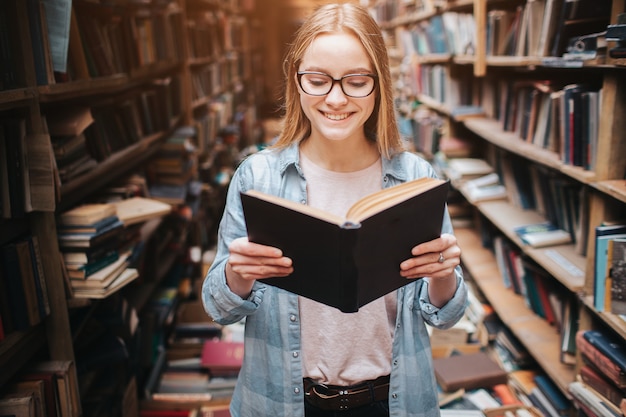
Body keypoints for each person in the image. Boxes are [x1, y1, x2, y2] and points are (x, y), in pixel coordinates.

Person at [202, 3, 468, 416]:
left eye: (357, 81)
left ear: (379, 84)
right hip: (284, 402)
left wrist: (443, 275)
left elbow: (446, 315)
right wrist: (238, 274)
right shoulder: (258, 178)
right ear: (296, 80)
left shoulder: (415, 177)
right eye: (318, 80)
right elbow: (218, 307)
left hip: (390, 403)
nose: (336, 98)